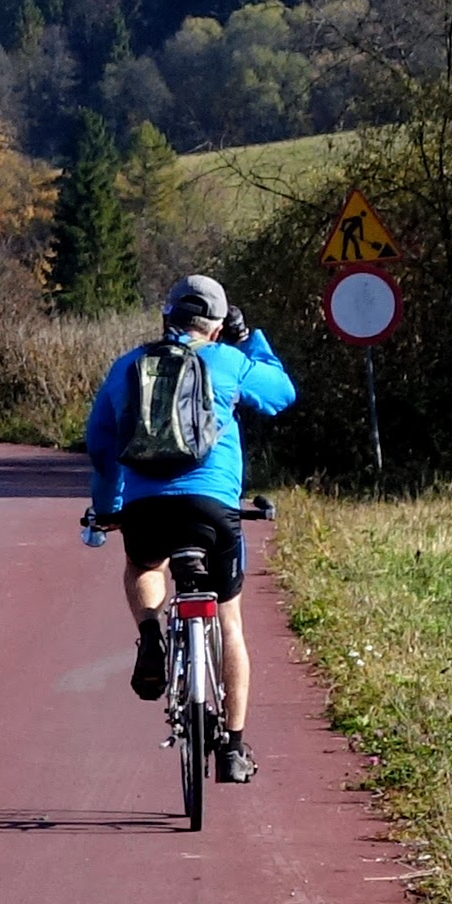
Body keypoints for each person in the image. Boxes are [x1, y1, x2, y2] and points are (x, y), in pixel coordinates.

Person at [81, 272, 297, 781]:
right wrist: (252, 339)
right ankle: (234, 750)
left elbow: (100, 442)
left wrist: (109, 505)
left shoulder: (129, 366)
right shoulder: (228, 360)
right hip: (212, 510)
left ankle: (152, 632)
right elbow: (281, 394)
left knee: (142, 562)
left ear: (166, 318)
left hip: (146, 507)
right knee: (230, 623)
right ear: (218, 326)